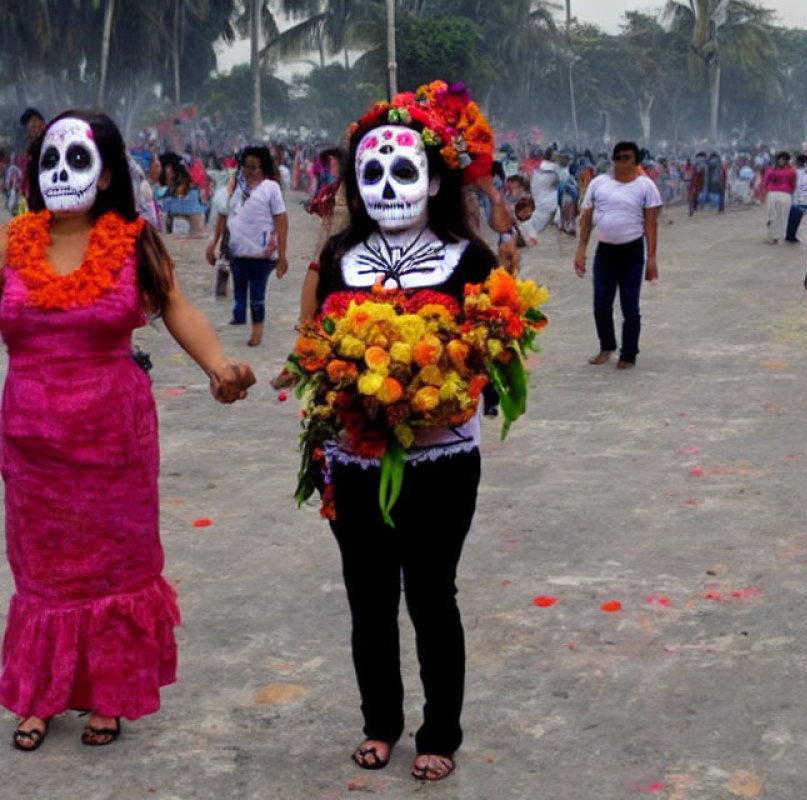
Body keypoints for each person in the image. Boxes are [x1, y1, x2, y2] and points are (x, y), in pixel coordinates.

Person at [0, 110, 255, 751]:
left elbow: (175, 306)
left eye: (78, 161)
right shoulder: (10, 243)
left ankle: (108, 697)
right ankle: (40, 695)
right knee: (43, 570)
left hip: (113, 440)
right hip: (32, 444)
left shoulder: (133, 240)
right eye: (49, 162)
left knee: (112, 566)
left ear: (107, 171)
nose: (60, 174)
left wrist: (219, 366)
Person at [307, 86, 499, 783]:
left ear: (438, 176)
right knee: (367, 595)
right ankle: (379, 722)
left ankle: (440, 729)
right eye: (372, 173)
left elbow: (497, 356)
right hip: (353, 461)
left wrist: (444, 387)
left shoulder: (470, 261)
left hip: (441, 460)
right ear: (356, 182)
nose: (387, 186)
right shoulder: (337, 259)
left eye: (404, 171)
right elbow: (316, 346)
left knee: (430, 593)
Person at [573, 140, 662, 369]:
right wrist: (581, 251)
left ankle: (629, 353)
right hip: (605, 252)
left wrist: (651, 259)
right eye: (617, 157)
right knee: (601, 302)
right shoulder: (598, 183)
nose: (621, 162)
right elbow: (586, 220)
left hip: (632, 251)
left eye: (627, 158)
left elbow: (651, 224)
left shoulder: (646, 187)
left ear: (636, 161)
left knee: (629, 305)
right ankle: (606, 346)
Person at [205, 146, 289, 346]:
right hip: (238, 251)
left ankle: (257, 332)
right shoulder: (237, 189)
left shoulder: (271, 188)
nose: (249, 171)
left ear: (263, 168)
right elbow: (224, 217)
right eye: (245, 166)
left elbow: (281, 221)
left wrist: (283, 255)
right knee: (240, 289)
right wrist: (213, 244)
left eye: (254, 167)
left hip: (262, 254)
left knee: (257, 295)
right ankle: (239, 317)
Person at [761, 151, 796, 244]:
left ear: (786, 161)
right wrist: (764, 193)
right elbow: (765, 182)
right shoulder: (771, 170)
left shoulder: (791, 171)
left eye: (783, 160)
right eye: (780, 159)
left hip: (784, 194)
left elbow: (793, 184)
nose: (781, 161)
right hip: (773, 193)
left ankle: (777, 237)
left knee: (782, 216)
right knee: (771, 216)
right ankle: (772, 235)